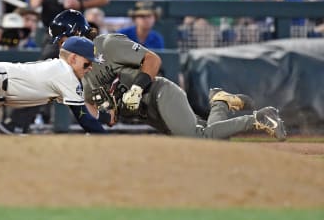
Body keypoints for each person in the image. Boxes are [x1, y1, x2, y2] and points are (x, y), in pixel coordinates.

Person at [49, 9, 287, 141]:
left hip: (159, 94)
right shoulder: (77, 73)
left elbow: (152, 60)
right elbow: (108, 118)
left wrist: (137, 88)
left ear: (77, 32)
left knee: (198, 139)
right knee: (211, 139)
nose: (61, 46)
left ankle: (260, 117)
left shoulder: (106, 44)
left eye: (62, 39)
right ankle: (220, 103)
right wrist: (101, 116)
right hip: (145, 113)